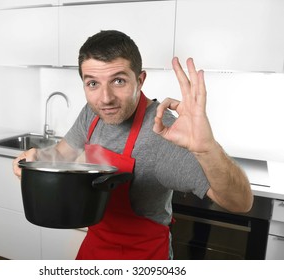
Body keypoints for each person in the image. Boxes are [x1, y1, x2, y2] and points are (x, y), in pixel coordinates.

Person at [13, 30, 253, 260]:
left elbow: (240, 202)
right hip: (96, 245)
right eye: (93, 84)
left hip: (142, 256)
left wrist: (207, 149)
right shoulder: (92, 114)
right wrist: (38, 158)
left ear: (140, 80)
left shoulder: (162, 135)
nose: (105, 98)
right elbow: (62, 153)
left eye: (118, 81)